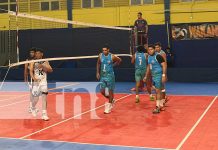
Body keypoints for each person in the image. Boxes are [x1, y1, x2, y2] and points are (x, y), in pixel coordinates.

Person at [96, 44, 121, 114]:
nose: (104, 51)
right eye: (103, 50)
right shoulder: (100, 55)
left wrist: (114, 65)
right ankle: (112, 100)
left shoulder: (112, 56)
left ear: (108, 50)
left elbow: (119, 60)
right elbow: (98, 63)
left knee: (110, 91)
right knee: (102, 91)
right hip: (102, 76)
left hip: (110, 76)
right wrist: (97, 72)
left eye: (105, 50)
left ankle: (109, 107)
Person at [29, 48, 53, 121]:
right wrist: (34, 78)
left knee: (44, 97)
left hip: (43, 82)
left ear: (42, 54)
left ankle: (44, 114)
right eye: (36, 53)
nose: (37, 54)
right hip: (36, 82)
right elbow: (30, 71)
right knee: (35, 99)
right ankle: (33, 107)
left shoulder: (45, 61)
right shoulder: (33, 61)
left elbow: (51, 70)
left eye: (38, 53)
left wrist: (43, 66)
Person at [144, 45, 167, 114]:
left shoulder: (158, 56)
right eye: (148, 50)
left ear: (154, 50)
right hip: (154, 75)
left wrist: (163, 75)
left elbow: (164, 65)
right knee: (161, 89)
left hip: (159, 75)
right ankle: (162, 105)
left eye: (151, 49)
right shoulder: (148, 57)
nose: (149, 51)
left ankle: (157, 107)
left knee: (157, 91)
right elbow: (149, 66)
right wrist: (145, 76)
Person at [24, 47, 36, 113]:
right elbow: (25, 70)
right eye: (30, 52)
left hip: (37, 78)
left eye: (32, 52)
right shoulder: (27, 60)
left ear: (35, 53)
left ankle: (33, 107)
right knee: (32, 93)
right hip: (31, 79)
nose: (31, 53)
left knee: (36, 93)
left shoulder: (37, 60)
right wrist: (25, 79)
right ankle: (30, 107)